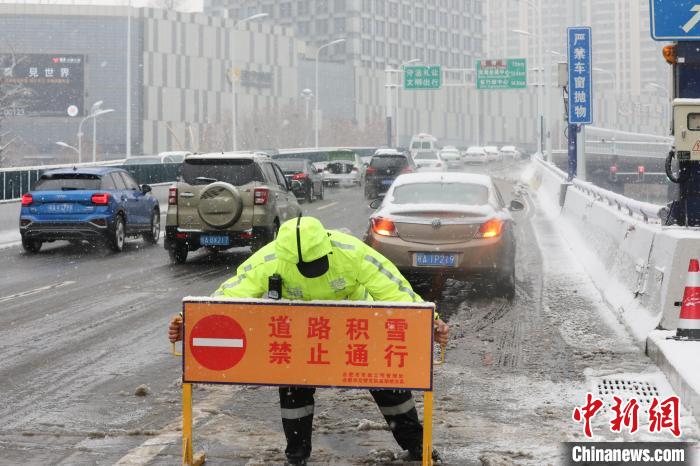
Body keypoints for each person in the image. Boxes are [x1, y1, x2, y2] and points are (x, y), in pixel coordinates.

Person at [168, 216, 449, 466]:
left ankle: (415, 445)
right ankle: (297, 454)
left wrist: (431, 322)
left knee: (388, 382)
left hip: (355, 327)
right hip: (303, 331)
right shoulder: (271, 260)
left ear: (327, 248)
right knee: (294, 389)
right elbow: (227, 298)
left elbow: (395, 291)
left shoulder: (351, 253)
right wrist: (189, 324)